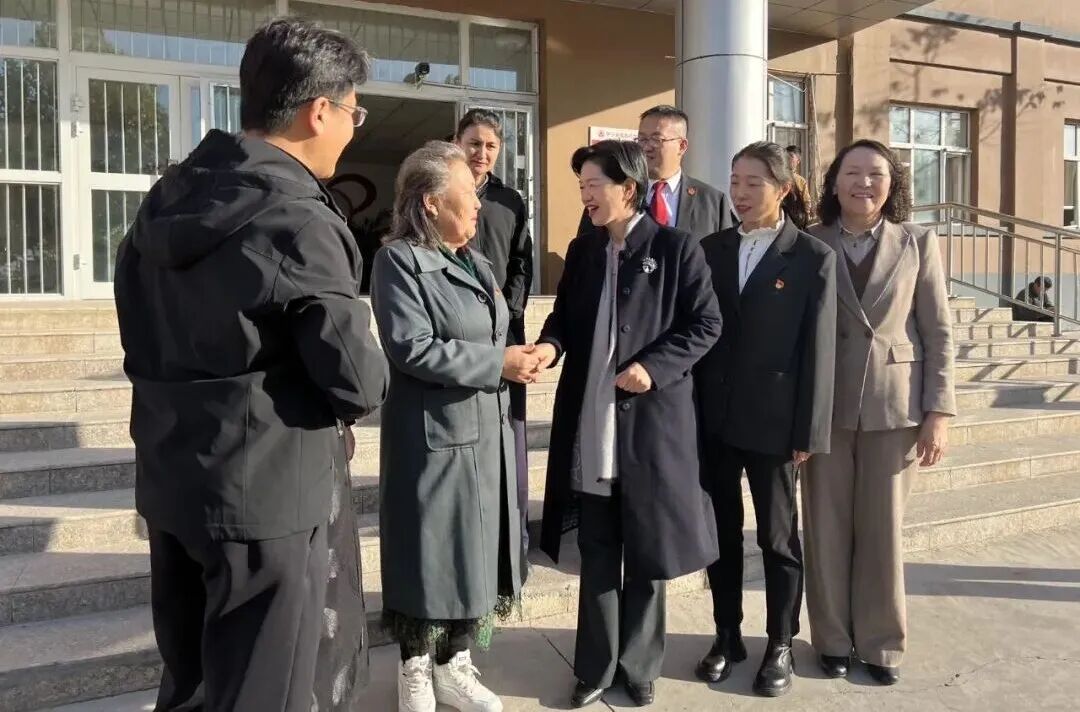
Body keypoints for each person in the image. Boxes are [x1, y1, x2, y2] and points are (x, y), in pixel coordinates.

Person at [113, 19, 388, 712]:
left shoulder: (163, 202)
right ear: (318, 110)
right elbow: (357, 381)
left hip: (173, 475)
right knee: (266, 690)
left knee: (191, 683)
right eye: (353, 113)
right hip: (265, 495)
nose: (352, 130)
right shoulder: (300, 219)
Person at [534, 140, 722, 709]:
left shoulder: (676, 248)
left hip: (649, 428)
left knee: (646, 552)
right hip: (591, 422)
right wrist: (549, 346)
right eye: (582, 187)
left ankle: (640, 666)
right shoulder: (584, 250)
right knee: (596, 550)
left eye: (594, 185)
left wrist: (653, 367)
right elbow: (563, 316)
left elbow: (706, 323)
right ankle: (594, 666)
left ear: (628, 188)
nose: (586, 196)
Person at [371, 140, 535, 712]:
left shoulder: (479, 262)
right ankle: (415, 669)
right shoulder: (398, 262)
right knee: (428, 555)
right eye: (468, 194)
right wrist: (498, 363)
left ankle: (455, 663)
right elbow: (411, 347)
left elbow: (489, 335)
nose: (479, 205)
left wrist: (517, 357)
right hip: (431, 438)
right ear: (431, 202)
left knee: (473, 553)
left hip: (484, 432)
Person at [804, 139, 956, 686]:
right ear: (834, 181)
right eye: (852, 172)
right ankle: (831, 640)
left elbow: (938, 331)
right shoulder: (809, 241)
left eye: (876, 174)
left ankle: (882, 643)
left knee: (883, 532)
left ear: (892, 184)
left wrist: (939, 411)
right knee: (825, 529)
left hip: (896, 407)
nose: (863, 183)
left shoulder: (917, 242)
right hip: (824, 408)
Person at [694, 141, 837, 698]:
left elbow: (819, 351)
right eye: (735, 181)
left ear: (782, 189)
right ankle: (726, 635)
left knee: (778, 539)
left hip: (776, 424)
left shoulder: (811, 256)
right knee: (721, 535)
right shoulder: (711, 249)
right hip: (715, 418)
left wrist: (809, 430)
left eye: (754, 182)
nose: (741, 192)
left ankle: (780, 642)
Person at [455, 108, 534, 554]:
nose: (481, 153)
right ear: (457, 142)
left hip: (506, 333)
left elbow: (522, 261)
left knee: (511, 433)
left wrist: (509, 307)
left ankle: (514, 539)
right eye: (474, 143)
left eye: (490, 146)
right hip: (457, 333)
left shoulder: (510, 201)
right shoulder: (439, 191)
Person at [577, 105, 736, 239]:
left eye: (656, 139)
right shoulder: (612, 195)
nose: (646, 147)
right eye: (642, 139)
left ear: (682, 146)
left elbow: (724, 255)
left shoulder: (712, 202)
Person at [786, 145, 814, 214]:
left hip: (795, 216)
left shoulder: (801, 181)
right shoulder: (777, 177)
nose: (787, 158)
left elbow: (807, 202)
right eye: (785, 156)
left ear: (798, 161)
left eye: (791, 156)